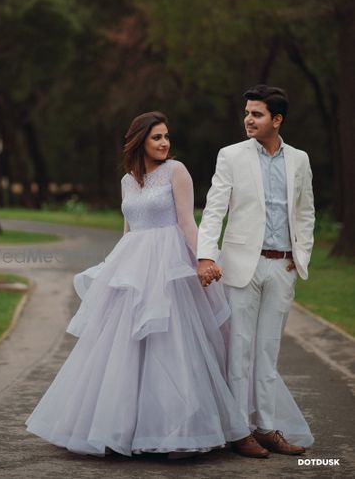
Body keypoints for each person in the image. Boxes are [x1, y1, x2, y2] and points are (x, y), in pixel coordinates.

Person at [26, 111, 250, 458]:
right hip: (133, 264)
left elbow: (188, 222)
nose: (164, 143)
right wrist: (113, 269)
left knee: (172, 344)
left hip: (170, 264)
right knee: (122, 348)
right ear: (139, 141)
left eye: (166, 137)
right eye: (156, 137)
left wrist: (204, 259)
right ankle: (121, 428)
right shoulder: (127, 181)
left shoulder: (176, 171)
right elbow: (129, 230)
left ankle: (177, 430)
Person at [197, 85, 315, 458]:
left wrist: (301, 256)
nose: (249, 119)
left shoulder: (299, 160)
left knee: (269, 351)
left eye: (257, 114)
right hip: (240, 267)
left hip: (282, 266)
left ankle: (265, 428)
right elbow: (214, 209)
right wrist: (205, 256)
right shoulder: (230, 156)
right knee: (240, 352)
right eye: (247, 112)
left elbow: (306, 212)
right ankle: (237, 430)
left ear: (276, 120)